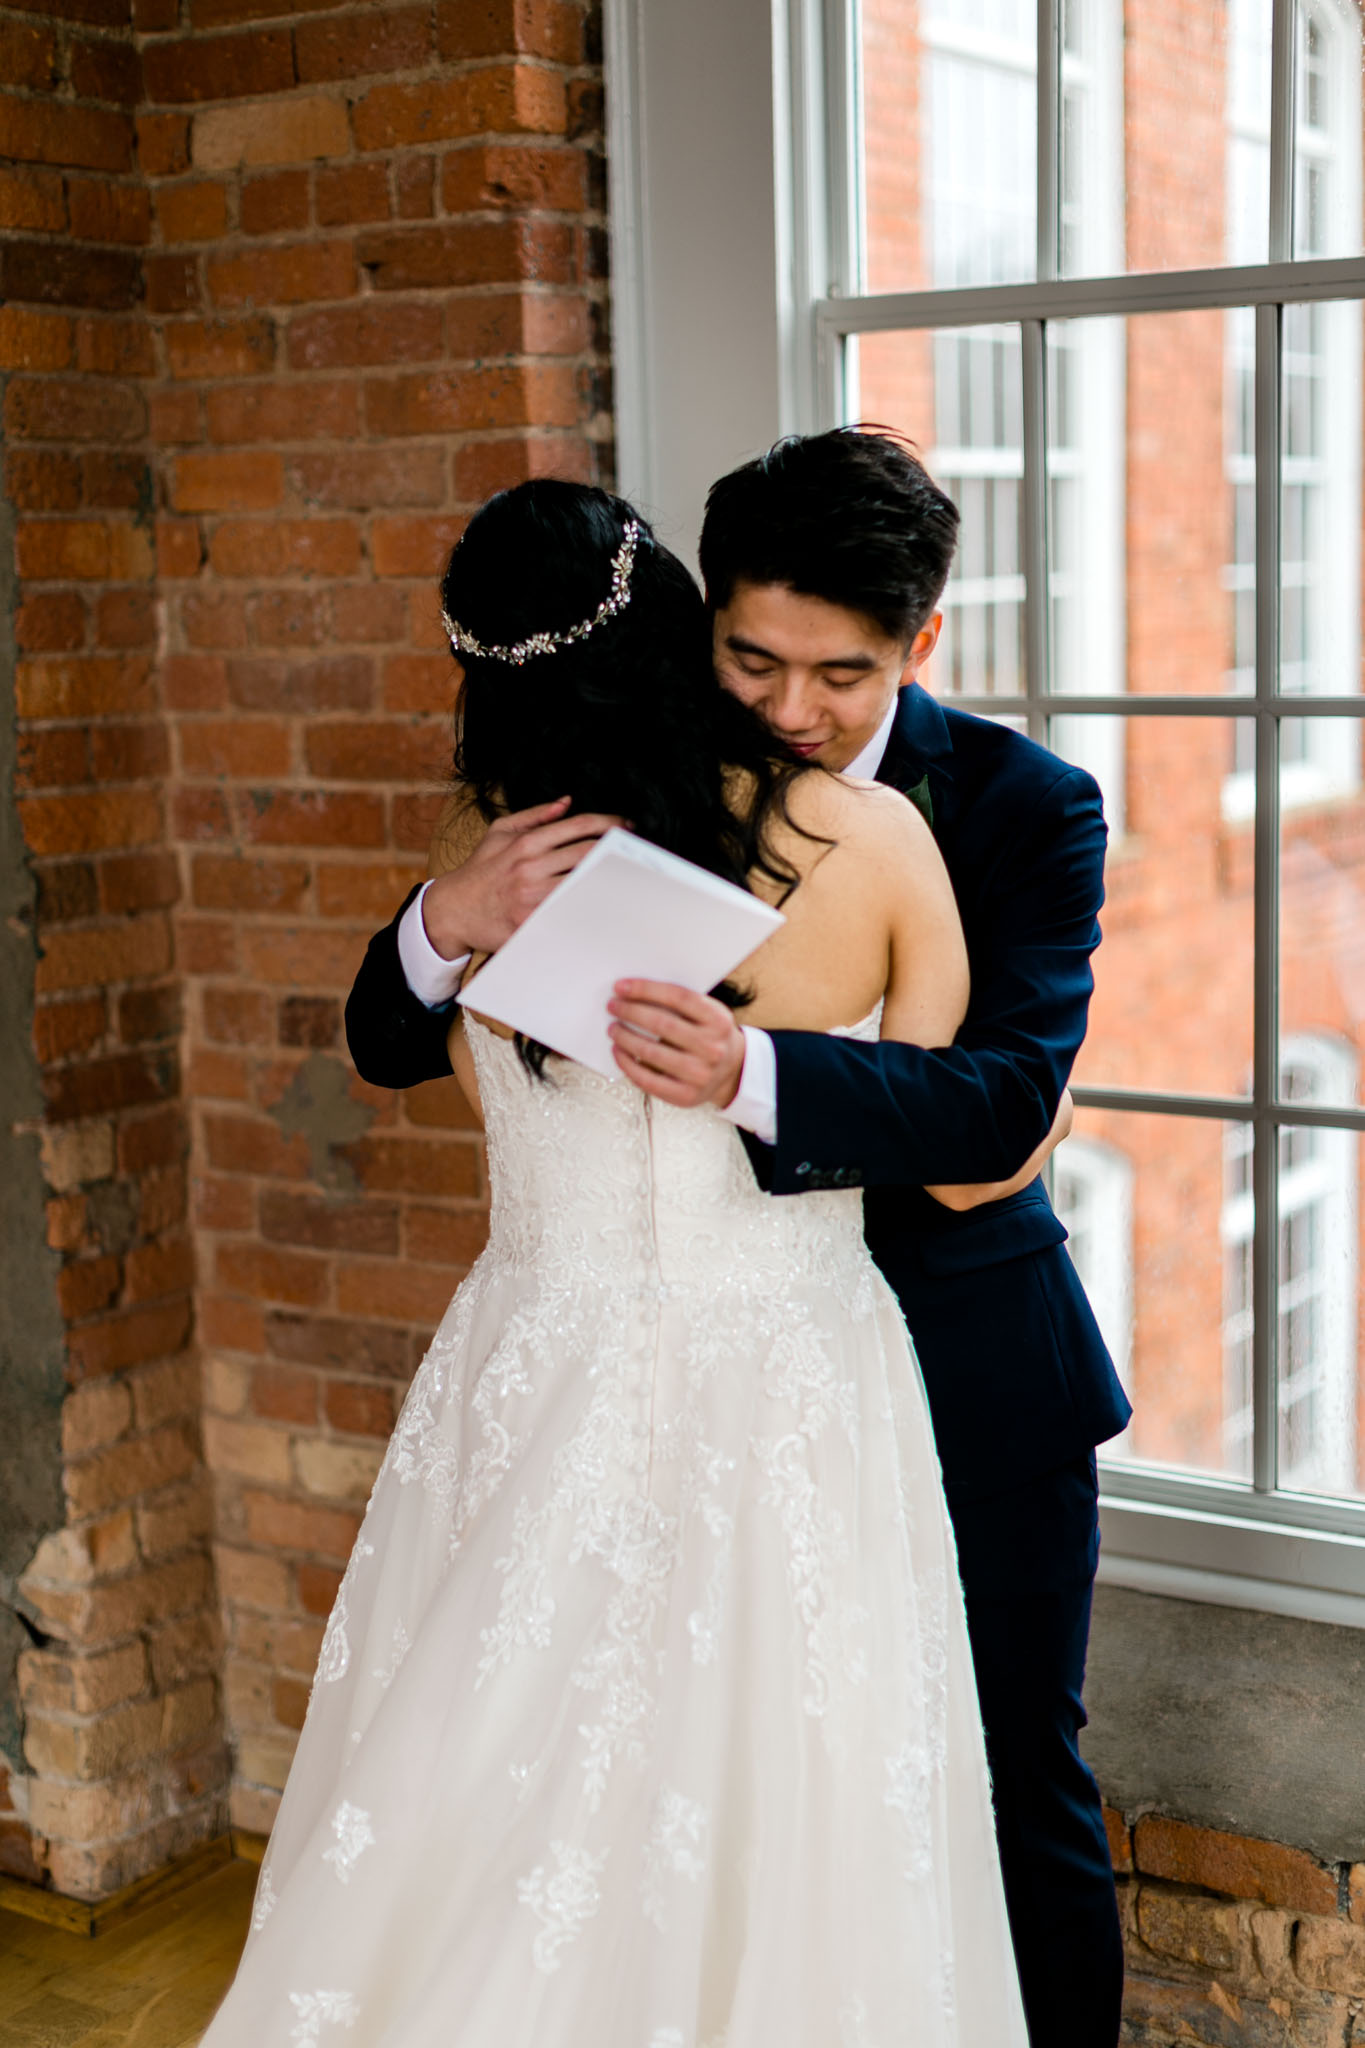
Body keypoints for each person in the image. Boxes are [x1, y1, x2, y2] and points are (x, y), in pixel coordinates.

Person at [205, 478, 1030, 2045]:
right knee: (793, 1795)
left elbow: (433, 1063)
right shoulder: (861, 840)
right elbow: (962, 1144)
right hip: (786, 1378)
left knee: (497, 1795)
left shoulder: (490, 853)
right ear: (683, 632)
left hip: (539, 1368)